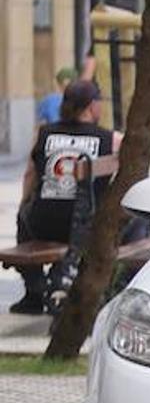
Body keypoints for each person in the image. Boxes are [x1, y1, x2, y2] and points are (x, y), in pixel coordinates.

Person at [11, 80, 122, 314]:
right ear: (92, 106)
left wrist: (25, 202)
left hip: (43, 225)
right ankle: (59, 282)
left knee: (23, 217)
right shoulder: (109, 138)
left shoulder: (44, 133)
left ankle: (34, 292)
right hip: (86, 227)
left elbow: (30, 174)